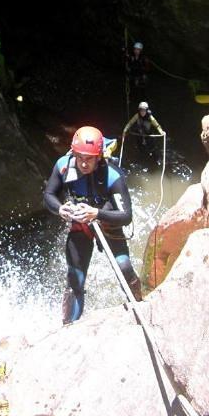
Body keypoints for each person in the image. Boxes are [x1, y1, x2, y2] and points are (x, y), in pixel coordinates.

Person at [43, 126, 143, 324]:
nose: (83, 163)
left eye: (89, 158)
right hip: (81, 228)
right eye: (79, 157)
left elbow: (126, 215)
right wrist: (60, 209)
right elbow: (49, 194)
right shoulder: (64, 166)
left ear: (99, 157)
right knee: (74, 281)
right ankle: (69, 325)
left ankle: (140, 307)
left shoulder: (113, 176)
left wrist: (97, 213)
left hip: (108, 225)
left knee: (124, 268)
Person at [126, 41, 150, 106]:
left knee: (142, 88)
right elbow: (129, 64)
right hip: (134, 75)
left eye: (138, 50)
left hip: (141, 75)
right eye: (135, 49)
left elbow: (147, 69)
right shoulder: (131, 56)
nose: (136, 51)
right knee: (132, 87)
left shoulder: (144, 58)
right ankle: (132, 100)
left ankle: (144, 101)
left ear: (140, 50)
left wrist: (143, 74)